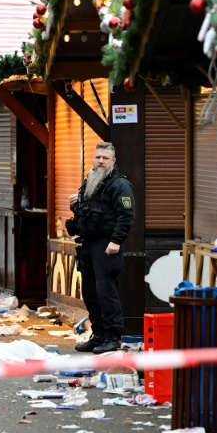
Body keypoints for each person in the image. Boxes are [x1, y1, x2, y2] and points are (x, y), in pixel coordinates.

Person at [66, 142, 134, 354]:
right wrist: (75, 205)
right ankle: (99, 335)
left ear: (113, 161)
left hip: (106, 245)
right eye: (98, 157)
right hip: (88, 244)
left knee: (106, 292)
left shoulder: (119, 185)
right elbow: (90, 213)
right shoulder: (90, 183)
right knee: (90, 292)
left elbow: (126, 215)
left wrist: (116, 241)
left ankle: (113, 337)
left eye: (105, 158)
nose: (101, 161)